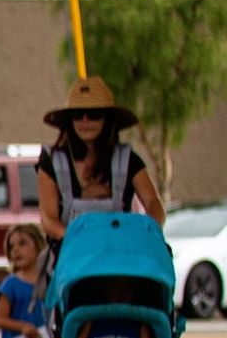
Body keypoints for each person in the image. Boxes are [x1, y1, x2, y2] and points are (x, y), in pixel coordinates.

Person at [36, 75, 165, 263]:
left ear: (108, 119)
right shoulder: (52, 160)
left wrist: (146, 231)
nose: (85, 120)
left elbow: (153, 202)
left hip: (120, 254)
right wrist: (79, 240)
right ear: (68, 122)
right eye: (77, 115)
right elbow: (48, 219)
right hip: (71, 258)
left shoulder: (127, 159)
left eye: (94, 113)